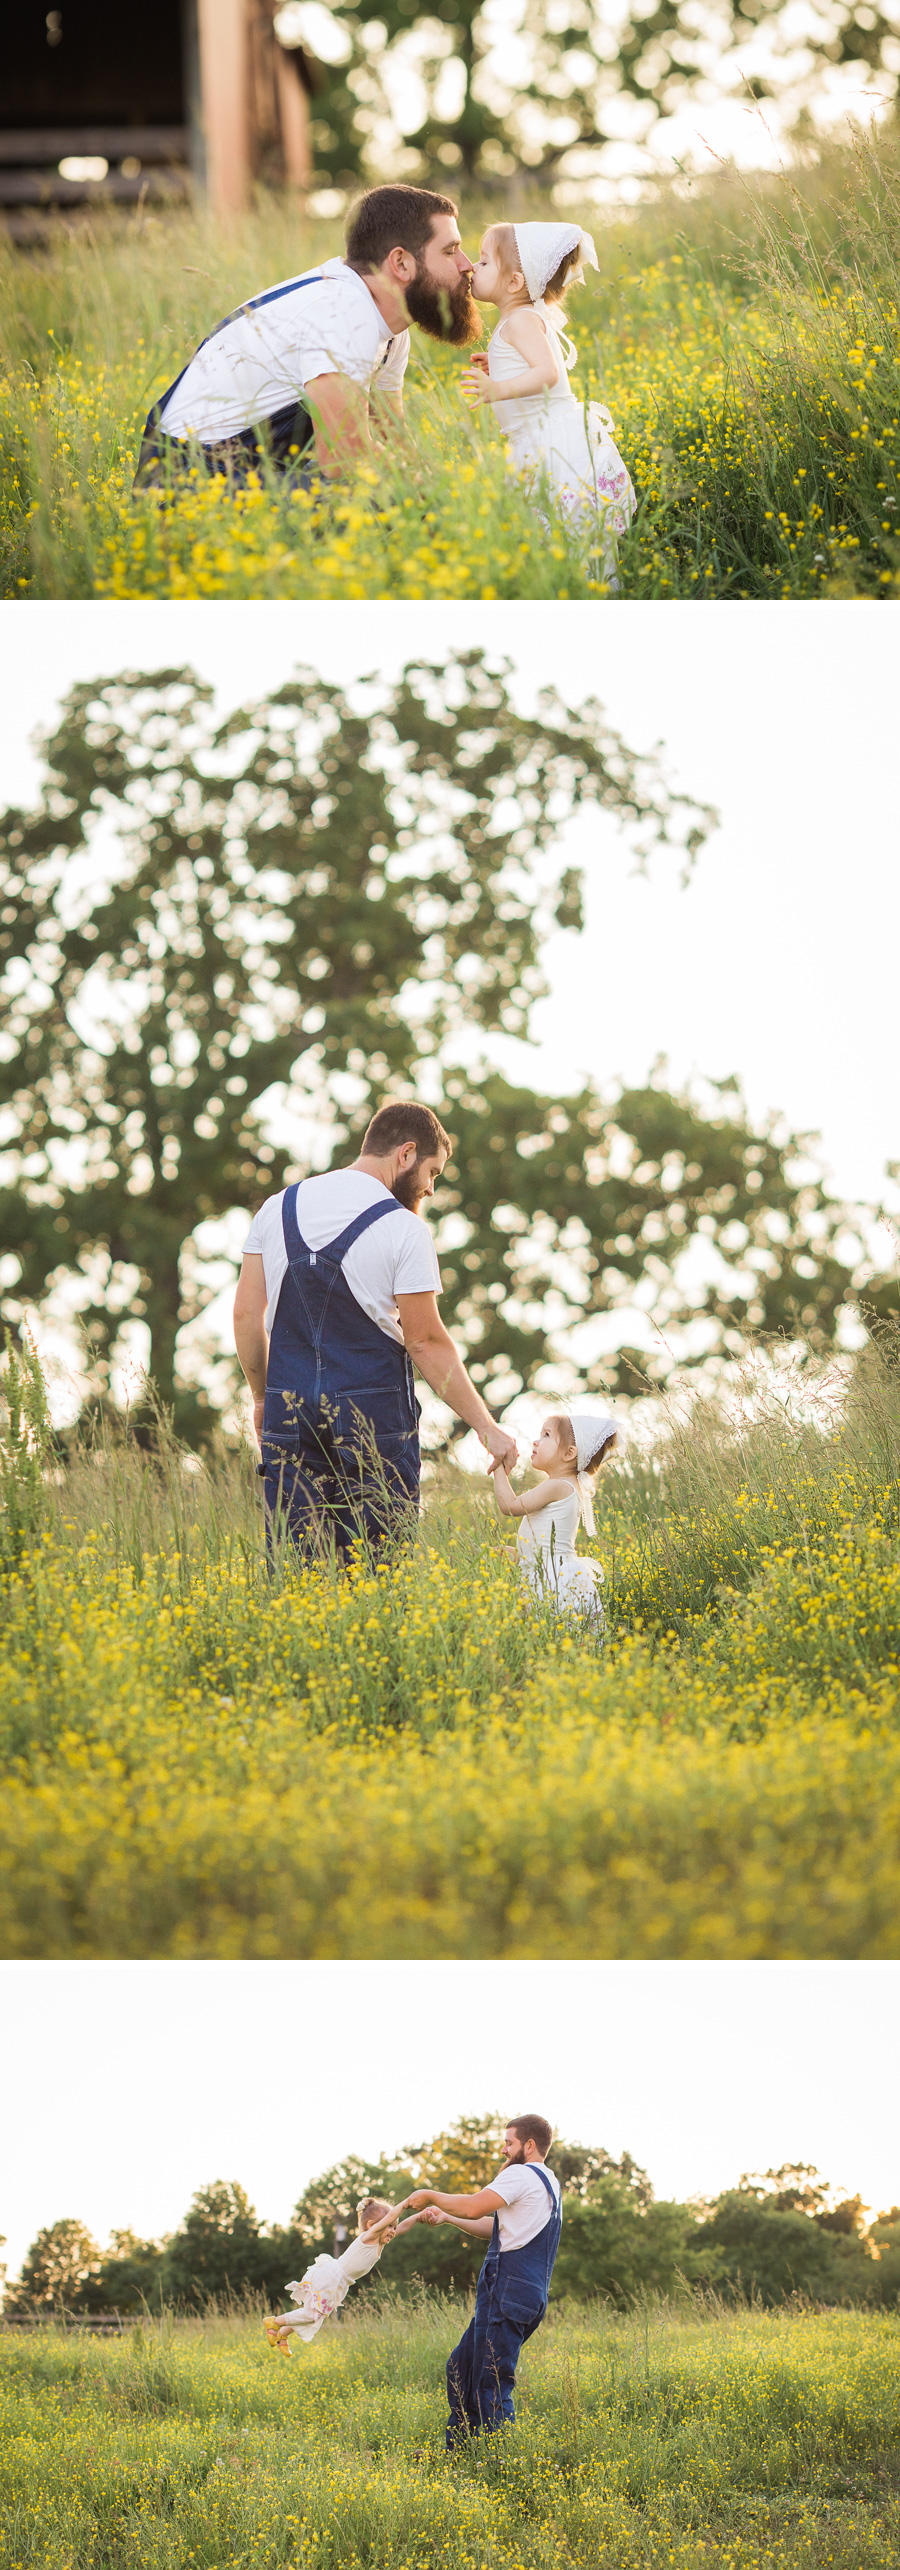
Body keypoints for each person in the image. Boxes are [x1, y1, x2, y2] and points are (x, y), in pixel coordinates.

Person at [232, 1100, 518, 1564]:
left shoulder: (275, 1209)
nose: (429, 1187)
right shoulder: (405, 1230)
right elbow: (424, 1341)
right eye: (433, 1173)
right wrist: (486, 1427)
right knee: (378, 1572)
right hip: (375, 1419)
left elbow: (246, 1316)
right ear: (405, 1154)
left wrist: (265, 1398)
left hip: (289, 1414)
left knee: (298, 1573)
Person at [133, 184, 480, 494]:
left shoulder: (391, 328)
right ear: (401, 263)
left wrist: (431, 484)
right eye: (450, 252)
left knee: (398, 499)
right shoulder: (342, 309)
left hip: (247, 471)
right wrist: (437, 497)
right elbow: (345, 459)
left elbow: (392, 434)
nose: (467, 265)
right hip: (181, 479)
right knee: (369, 503)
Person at [462, 221, 635, 585]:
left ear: (513, 283)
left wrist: (498, 389)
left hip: (550, 441)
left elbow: (547, 374)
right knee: (566, 537)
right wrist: (501, 367)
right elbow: (534, 367)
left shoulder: (520, 320)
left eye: (483, 262)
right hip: (543, 437)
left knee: (575, 538)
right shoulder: (519, 318)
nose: (472, 269)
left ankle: (595, 595)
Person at [400, 2115, 562, 2447]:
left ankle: (500, 2463)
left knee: (491, 2381)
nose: (503, 2149)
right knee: (461, 2368)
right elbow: (497, 2228)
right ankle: (460, 2452)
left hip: (506, 2290)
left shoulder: (521, 2174)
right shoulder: (550, 2184)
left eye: (509, 2142)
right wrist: (448, 2218)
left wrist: (430, 2195)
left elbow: (475, 2206)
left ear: (529, 2145)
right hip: (528, 2294)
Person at [491, 1410, 621, 1626]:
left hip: (552, 1581)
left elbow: (510, 1506)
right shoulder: (567, 1486)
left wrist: (498, 1468)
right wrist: (515, 1555)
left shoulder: (558, 1485)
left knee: (548, 1636)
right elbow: (543, 1548)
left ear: (569, 1453)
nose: (536, 1441)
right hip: (557, 1575)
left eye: (546, 1435)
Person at [264, 2196, 428, 2350]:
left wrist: (419, 2217)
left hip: (340, 2282)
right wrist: (406, 2203)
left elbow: (403, 2226)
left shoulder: (380, 2242)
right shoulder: (369, 2237)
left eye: (394, 2227)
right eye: (390, 2226)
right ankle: (274, 2322)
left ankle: (282, 2334)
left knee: (317, 2315)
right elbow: (392, 2214)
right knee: (313, 2314)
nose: (393, 2230)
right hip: (333, 2276)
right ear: (372, 2225)